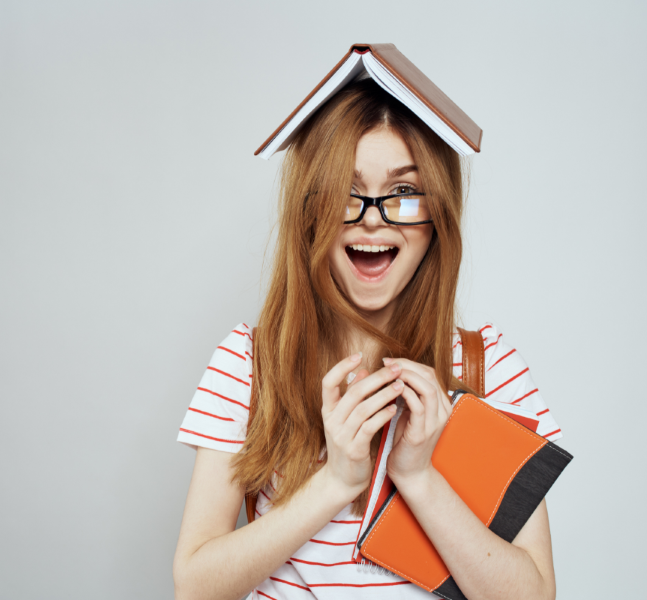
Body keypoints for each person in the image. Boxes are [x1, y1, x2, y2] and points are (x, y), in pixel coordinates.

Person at [172, 78, 562, 600]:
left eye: (403, 193)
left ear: (438, 215)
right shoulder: (250, 364)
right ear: (308, 211)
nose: (373, 220)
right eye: (344, 192)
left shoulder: (486, 367)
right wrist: (335, 482)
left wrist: (418, 478)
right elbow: (195, 588)